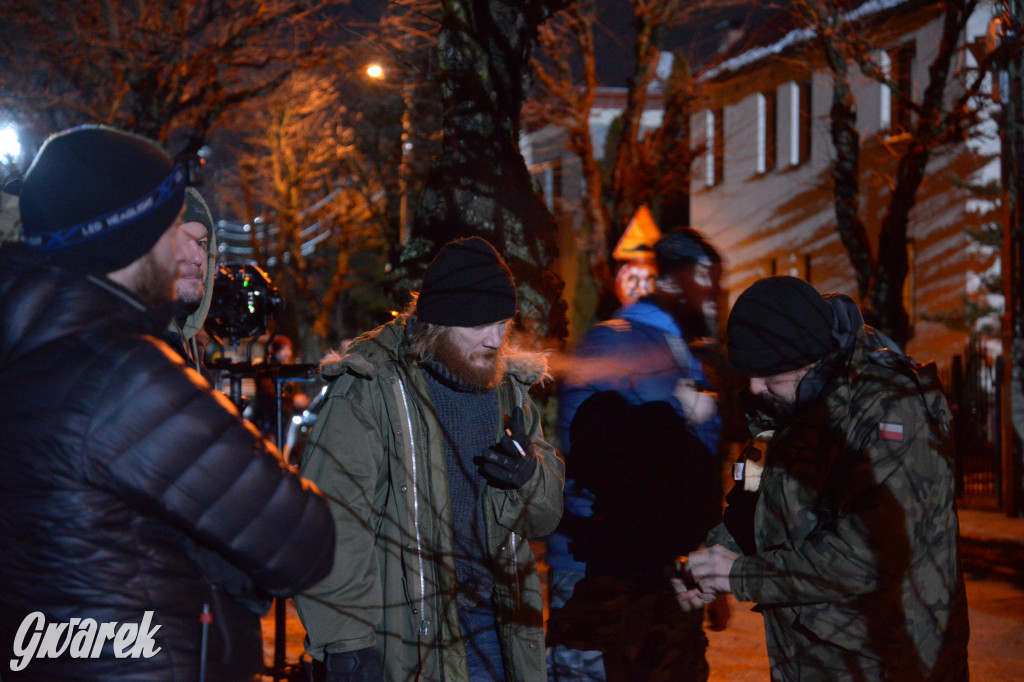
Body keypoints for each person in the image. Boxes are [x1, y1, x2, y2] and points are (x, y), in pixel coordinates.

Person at [0, 125, 335, 680]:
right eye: (175, 226)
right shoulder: (121, 375)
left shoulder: (28, 347)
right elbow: (303, 539)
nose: (186, 248)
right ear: (130, 236)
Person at [295, 236, 564, 681]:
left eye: (504, 323)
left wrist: (530, 475)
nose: (497, 339)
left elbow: (546, 517)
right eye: (482, 325)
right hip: (405, 639)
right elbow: (331, 519)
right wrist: (346, 644)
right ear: (442, 322)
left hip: (496, 634)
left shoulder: (509, 392)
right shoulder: (373, 386)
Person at [675, 275, 970, 681]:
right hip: (814, 658)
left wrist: (741, 574)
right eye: (750, 374)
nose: (756, 388)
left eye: (771, 376)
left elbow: (869, 553)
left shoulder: (892, 410)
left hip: (888, 661)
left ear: (814, 362)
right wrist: (710, 564)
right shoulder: (785, 397)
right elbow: (754, 501)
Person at [546, 228, 726, 681]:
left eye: (719, 280)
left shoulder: (692, 355)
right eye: (704, 277)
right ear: (668, 282)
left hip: (666, 572)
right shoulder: (617, 343)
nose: (716, 293)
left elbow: (701, 468)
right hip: (602, 576)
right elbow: (589, 459)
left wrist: (704, 553)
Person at [160, 186, 218, 379]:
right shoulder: (129, 361)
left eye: (202, 243)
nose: (197, 258)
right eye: (182, 240)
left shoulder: (196, 363)